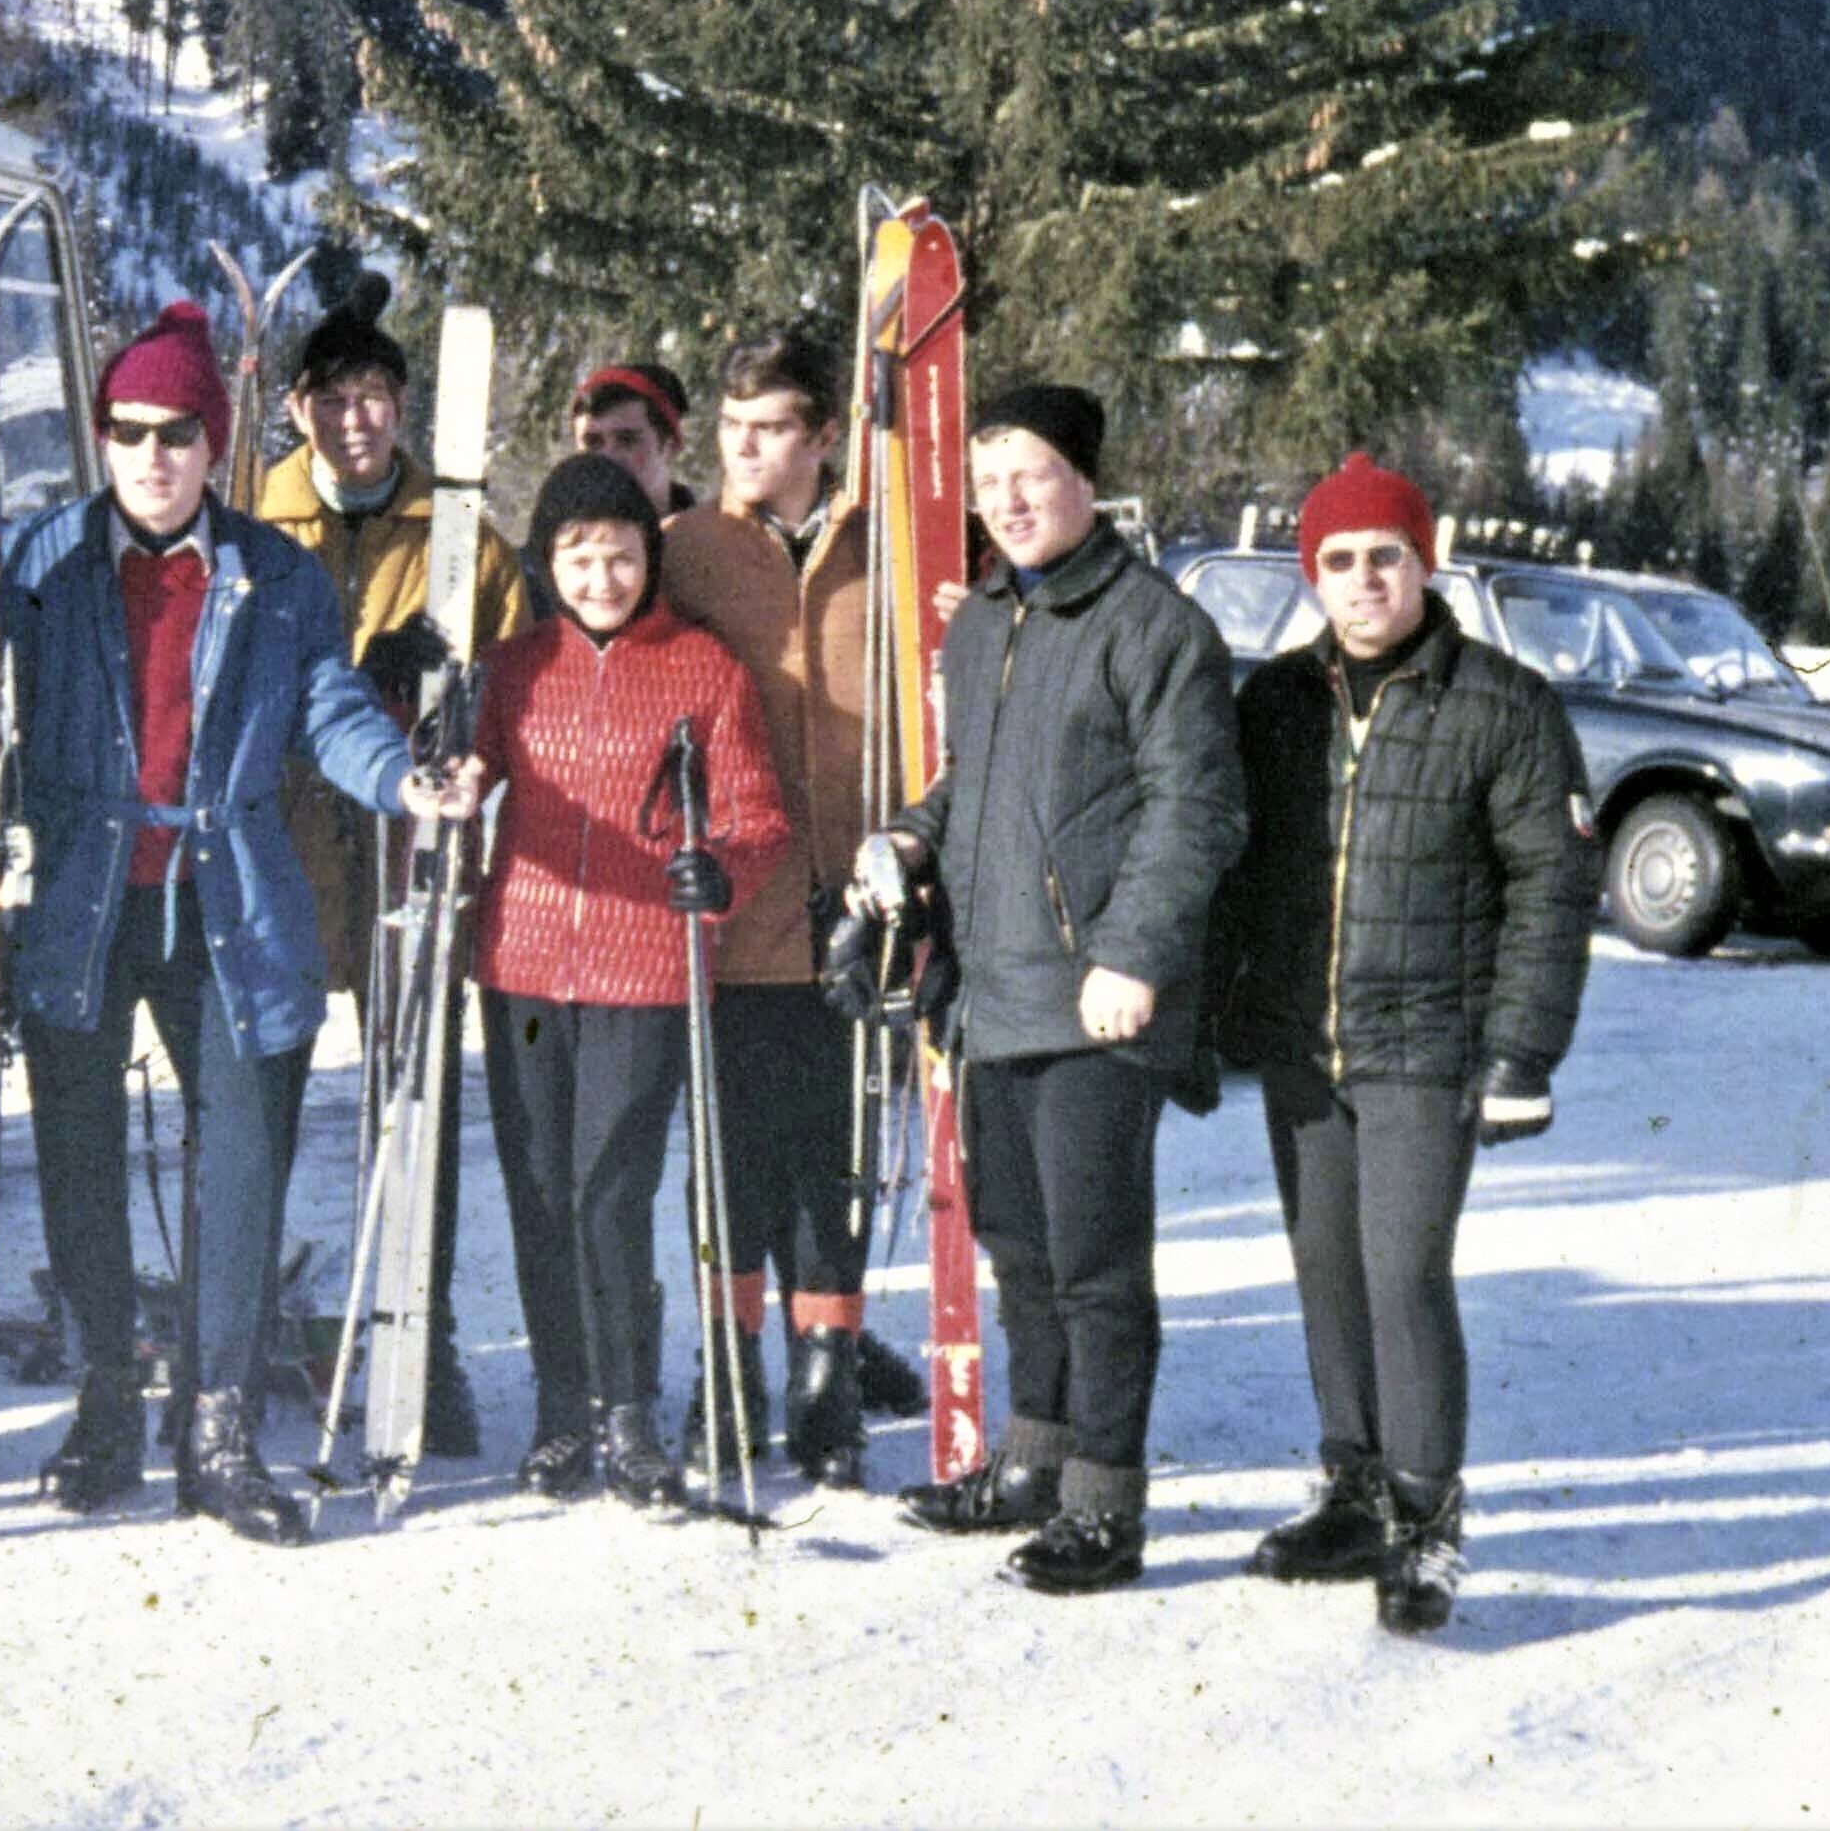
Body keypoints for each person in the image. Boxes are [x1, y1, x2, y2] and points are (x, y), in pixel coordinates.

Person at [0, 301, 482, 1545]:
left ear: (215, 440)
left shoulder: (273, 572)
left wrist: (401, 777)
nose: (151, 456)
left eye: (177, 433)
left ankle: (218, 1422)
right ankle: (102, 1403)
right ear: (103, 437)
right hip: (86, 888)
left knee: (241, 1160)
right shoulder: (42, 560)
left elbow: (328, 703)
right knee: (78, 1159)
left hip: (230, 888)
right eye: (129, 431)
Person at [1202, 455, 1592, 1635]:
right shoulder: (1273, 705)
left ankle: (1426, 1521)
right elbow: (1234, 871)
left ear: (1425, 565)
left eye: (1386, 556)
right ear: (1310, 576)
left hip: (1428, 1040)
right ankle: (1356, 1491)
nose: (1364, 580)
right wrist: (1213, 1011)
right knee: (1326, 1270)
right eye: (1339, 561)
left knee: (1402, 1273)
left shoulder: (1504, 703)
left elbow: (1551, 888)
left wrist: (1522, 1055)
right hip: (1304, 1044)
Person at [866, 384, 1243, 1595]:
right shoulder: (980, 623)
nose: (1009, 502)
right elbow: (979, 786)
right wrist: (913, 840)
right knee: (1019, 1247)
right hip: (990, 994)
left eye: (1031, 475)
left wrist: (1132, 957)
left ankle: (1106, 1505)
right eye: (989, 485)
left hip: (1094, 1003)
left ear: (1086, 479)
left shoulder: (1155, 631)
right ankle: (1033, 1462)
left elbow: (1197, 814)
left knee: (1094, 1265)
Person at [470, 456, 789, 1505]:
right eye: (578, 555)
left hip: (643, 967)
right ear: (547, 561)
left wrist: (720, 871)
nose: (600, 577)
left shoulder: (700, 668)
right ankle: (564, 1407)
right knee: (539, 1188)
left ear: (650, 555)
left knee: (610, 1189)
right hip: (520, 964)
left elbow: (756, 817)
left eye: (619, 554)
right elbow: (458, 772)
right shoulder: (516, 667)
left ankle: (626, 1411)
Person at [251, 271, 525, 1456]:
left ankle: (425, 1334)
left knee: (410, 1102)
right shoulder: (254, 528)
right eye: (336, 397)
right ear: (300, 408)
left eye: (378, 396)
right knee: (254, 1094)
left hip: (409, 854)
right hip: (283, 849)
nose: (358, 419)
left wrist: (448, 686)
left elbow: (515, 691)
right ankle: (247, 1321)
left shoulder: (461, 534)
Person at [656, 332, 925, 1481]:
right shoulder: (687, 550)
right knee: (732, 1156)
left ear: (824, 436)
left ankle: (828, 1374)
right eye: (730, 429)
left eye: (769, 429)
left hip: (861, 907)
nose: (743, 449)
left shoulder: (893, 546)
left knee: (841, 1152)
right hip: (733, 908)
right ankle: (728, 1366)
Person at [567, 359, 697, 517]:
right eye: (592, 442)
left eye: (627, 440)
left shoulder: (716, 539)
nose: (609, 456)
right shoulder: (554, 539)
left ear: (670, 448)